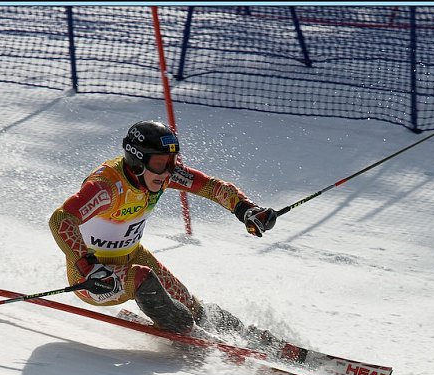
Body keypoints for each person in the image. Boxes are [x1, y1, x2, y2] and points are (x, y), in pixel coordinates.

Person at [49, 120, 278, 340]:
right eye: (161, 163)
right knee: (142, 278)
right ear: (137, 161)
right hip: (94, 279)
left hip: (133, 256)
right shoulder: (108, 186)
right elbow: (62, 219)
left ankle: (240, 333)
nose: (168, 172)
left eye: (172, 161)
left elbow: (212, 187)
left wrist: (245, 209)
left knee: (186, 299)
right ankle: (189, 334)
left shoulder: (161, 174)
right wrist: (89, 268)